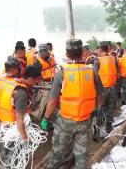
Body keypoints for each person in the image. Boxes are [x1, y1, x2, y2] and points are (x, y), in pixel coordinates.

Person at [43, 39, 104, 169]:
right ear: (82, 52)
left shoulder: (62, 73)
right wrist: (97, 109)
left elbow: (53, 101)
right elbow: (100, 95)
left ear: (66, 54)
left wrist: (46, 119)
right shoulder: (92, 71)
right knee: (82, 156)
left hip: (65, 121)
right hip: (85, 120)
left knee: (57, 153)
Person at [0, 66, 42, 167]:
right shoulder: (22, 94)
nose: (37, 83)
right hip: (14, 128)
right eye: (37, 80)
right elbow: (19, 118)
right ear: (30, 79)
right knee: (15, 157)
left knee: (9, 153)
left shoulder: (15, 83)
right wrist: (24, 138)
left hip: (6, 123)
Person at [94, 41, 118, 136]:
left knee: (99, 109)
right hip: (111, 87)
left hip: (102, 89)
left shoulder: (97, 60)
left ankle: (97, 131)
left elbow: (95, 76)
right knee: (110, 107)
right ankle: (109, 126)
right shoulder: (113, 58)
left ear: (100, 49)